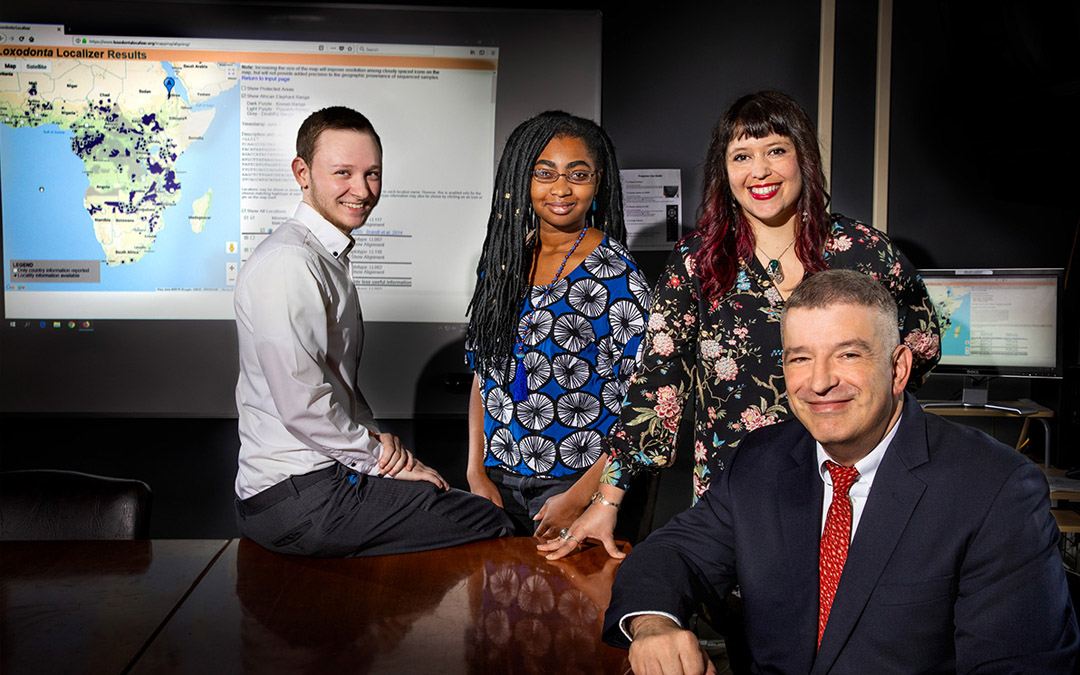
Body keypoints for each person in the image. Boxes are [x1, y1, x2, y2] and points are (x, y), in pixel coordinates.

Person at [603, 269, 1079, 674]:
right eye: (800, 358)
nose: (820, 381)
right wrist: (654, 625)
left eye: (848, 355)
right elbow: (671, 553)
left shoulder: (996, 488)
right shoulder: (762, 459)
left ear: (898, 369)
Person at [541, 91, 941, 560]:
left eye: (776, 151)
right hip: (737, 495)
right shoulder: (699, 261)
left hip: (853, 487)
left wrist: (863, 418)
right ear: (724, 171)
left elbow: (921, 347)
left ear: (803, 157)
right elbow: (656, 387)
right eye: (742, 156)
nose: (760, 171)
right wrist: (609, 498)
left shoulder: (864, 252)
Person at [233, 106, 513, 557]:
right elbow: (302, 405)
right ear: (302, 173)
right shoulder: (289, 264)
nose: (361, 191)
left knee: (442, 496)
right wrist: (383, 462)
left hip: (316, 484)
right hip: (302, 497)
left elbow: (334, 382)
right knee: (491, 521)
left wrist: (381, 445)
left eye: (372, 174)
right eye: (342, 172)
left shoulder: (324, 258)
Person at [465, 111, 649, 537]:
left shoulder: (618, 276)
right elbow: (483, 375)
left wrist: (582, 497)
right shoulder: (503, 262)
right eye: (544, 173)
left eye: (578, 174)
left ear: (598, 181)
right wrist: (476, 473)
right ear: (520, 179)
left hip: (576, 485)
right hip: (496, 486)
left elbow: (641, 406)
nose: (561, 188)